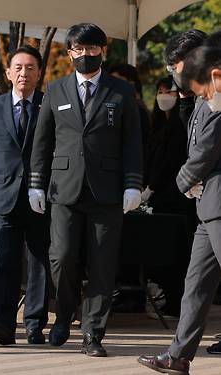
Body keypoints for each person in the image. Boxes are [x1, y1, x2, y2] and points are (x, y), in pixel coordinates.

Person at [29, 23, 143, 357]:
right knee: (62, 257)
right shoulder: (56, 89)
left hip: (107, 190)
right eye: (78, 49)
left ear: (102, 50)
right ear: (69, 53)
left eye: (91, 49)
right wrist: (36, 184)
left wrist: (132, 183)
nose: (85, 55)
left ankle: (93, 332)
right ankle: (64, 315)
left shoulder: (120, 91)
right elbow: (42, 140)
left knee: (103, 264)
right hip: (64, 188)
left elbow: (132, 142)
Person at [138, 44, 221, 375]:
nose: (176, 73)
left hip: (217, 200)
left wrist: (184, 180)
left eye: (178, 65)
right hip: (208, 204)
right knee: (196, 284)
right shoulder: (200, 97)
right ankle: (178, 355)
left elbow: (208, 146)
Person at [0, 45, 50, 346]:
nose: (24, 73)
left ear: (39, 72)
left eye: (30, 67)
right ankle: (3, 323)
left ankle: (34, 324)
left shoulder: (49, 105)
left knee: (38, 262)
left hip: (39, 196)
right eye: (18, 67)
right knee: (4, 261)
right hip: (2, 194)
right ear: (7, 73)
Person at [140, 77, 192, 320]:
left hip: (177, 196)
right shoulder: (157, 125)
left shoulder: (183, 122)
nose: (163, 96)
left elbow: (172, 160)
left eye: (168, 91)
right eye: (159, 92)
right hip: (158, 196)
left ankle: (175, 304)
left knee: (177, 253)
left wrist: (151, 186)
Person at [164, 29, 208, 125]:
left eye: (174, 66)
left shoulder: (213, 100)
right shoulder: (198, 99)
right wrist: (185, 99)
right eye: (172, 68)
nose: (175, 72)